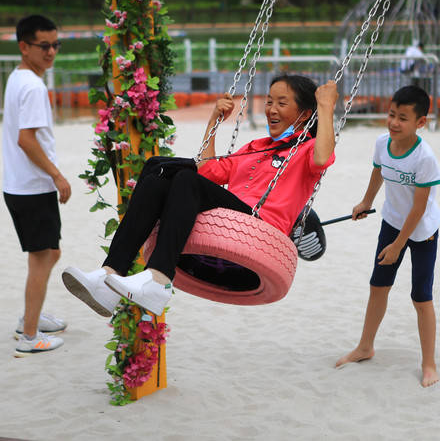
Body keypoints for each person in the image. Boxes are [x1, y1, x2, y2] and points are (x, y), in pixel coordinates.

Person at [63, 75, 338, 317]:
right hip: (233, 216)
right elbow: (209, 171)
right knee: (157, 178)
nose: (271, 110)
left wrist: (325, 107)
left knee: (185, 178)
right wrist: (214, 123)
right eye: (268, 102)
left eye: (281, 103)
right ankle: (110, 273)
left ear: (303, 114)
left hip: (261, 226)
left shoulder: (307, 150)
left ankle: (158, 279)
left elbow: (323, 157)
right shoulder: (256, 146)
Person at [336, 86, 440, 388]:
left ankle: (429, 364)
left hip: (422, 232)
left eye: (403, 118)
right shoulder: (383, 143)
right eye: (392, 115)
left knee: (421, 297)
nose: (394, 123)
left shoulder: (425, 159)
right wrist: (366, 202)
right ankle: (365, 347)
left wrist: (398, 246)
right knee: (377, 286)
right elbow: (378, 172)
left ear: (420, 123)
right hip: (392, 222)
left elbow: (419, 209)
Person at [2, 15, 70, 355]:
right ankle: (29, 335)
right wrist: (57, 175)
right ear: (24, 46)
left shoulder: (19, 77)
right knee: (44, 256)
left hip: (21, 184)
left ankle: (31, 316)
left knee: (45, 254)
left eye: (56, 44)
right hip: (31, 186)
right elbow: (26, 140)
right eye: (44, 46)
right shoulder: (32, 86)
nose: (52, 52)